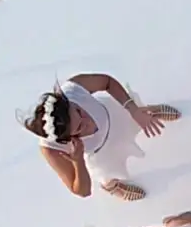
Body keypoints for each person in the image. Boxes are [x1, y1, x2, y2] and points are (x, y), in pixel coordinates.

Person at [23, 73, 179, 201]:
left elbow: (107, 82)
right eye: (80, 127)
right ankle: (113, 187)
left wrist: (133, 110)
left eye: (79, 111)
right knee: (108, 173)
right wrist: (78, 160)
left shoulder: (72, 90)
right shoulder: (51, 149)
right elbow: (82, 191)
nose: (88, 120)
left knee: (136, 114)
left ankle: (145, 112)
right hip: (101, 152)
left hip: (113, 113)